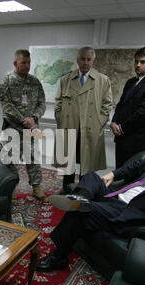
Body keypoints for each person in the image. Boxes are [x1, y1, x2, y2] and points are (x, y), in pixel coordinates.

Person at [37, 138, 145, 272]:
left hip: (128, 212)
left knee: (82, 211)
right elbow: (137, 166)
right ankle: (80, 199)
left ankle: (60, 257)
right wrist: (113, 173)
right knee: (91, 177)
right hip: (116, 197)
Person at [54, 47, 113, 193]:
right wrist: (61, 119)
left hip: (90, 127)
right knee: (68, 161)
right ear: (77, 60)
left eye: (88, 59)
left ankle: (83, 189)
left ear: (93, 61)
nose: (85, 63)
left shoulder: (103, 80)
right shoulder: (66, 79)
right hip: (70, 125)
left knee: (87, 163)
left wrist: (99, 122)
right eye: (83, 59)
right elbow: (58, 102)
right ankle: (66, 188)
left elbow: (107, 104)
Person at [0, 49, 48, 203]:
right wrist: (23, 120)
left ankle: (37, 188)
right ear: (15, 63)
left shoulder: (35, 81)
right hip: (12, 128)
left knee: (33, 158)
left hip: (31, 128)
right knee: (9, 161)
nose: (27, 66)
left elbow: (42, 103)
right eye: (23, 63)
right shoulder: (6, 81)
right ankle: (12, 189)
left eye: (29, 62)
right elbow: (6, 106)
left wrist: (34, 118)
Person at [110, 47, 145, 168]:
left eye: (143, 62)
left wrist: (122, 128)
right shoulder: (131, 82)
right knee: (118, 172)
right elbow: (121, 104)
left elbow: (143, 114)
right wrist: (114, 121)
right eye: (136, 61)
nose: (138, 65)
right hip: (121, 138)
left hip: (136, 141)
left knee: (131, 177)